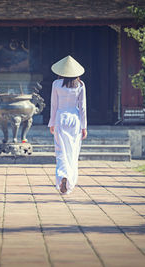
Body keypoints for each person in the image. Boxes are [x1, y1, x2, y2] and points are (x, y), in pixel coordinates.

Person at [48, 55, 88, 195]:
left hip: (61, 117)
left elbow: (54, 105)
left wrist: (51, 123)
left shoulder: (56, 84)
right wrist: (84, 127)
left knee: (61, 150)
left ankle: (62, 176)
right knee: (73, 151)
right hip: (75, 119)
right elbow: (82, 107)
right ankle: (70, 180)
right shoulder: (80, 85)